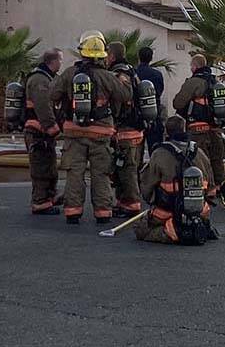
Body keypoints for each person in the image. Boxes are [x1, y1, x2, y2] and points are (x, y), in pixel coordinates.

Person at [49, 31, 131, 225]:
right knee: (100, 173)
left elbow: (52, 94)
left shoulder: (70, 73)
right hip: (101, 133)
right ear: (102, 54)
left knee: (74, 173)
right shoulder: (107, 76)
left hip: (74, 131)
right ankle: (103, 212)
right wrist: (124, 81)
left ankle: (72, 211)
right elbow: (125, 96)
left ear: (82, 53)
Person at [135, 115, 215, 245]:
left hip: (167, 212)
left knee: (140, 229)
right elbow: (210, 185)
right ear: (184, 129)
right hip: (200, 211)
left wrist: (153, 202)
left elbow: (146, 186)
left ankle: (172, 232)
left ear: (167, 132)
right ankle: (199, 226)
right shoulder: (199, 153)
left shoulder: (159, 154)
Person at [172, 54, 225, 197]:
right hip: (215, 129)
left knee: (201, 160)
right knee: (216, 159)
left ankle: (207, 189)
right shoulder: (215, 81)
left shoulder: (194, 82)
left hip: (198, 129)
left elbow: (178, 103)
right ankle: (221, 187)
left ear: (194, 67)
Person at [22, 48, 62, 215]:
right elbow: (43, 106)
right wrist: (52, 127)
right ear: (53, 61)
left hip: (43, 133)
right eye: (60, 60)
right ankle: (40, 202)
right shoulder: (39, 80)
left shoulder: (47, 78)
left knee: (49, 166)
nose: (61, 63)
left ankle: (48, 198)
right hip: (38, 131)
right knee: (41, 168)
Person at [107, 40, 144, 218]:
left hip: (125, 128)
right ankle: (123, 202)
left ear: (112, 55)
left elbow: (121, 97)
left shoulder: (119, 74)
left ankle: (131, 203)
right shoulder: (132, 71)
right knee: (124, 167)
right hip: (135, 128)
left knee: (126, 168)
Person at [136, 46, 166, 153]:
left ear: (138, 57)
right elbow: (159, 91)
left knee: (136, 154)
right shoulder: (157, 75)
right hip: (154, 115)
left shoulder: (134, 74)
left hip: (137, 117)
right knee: (155, 150)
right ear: (151, 58)